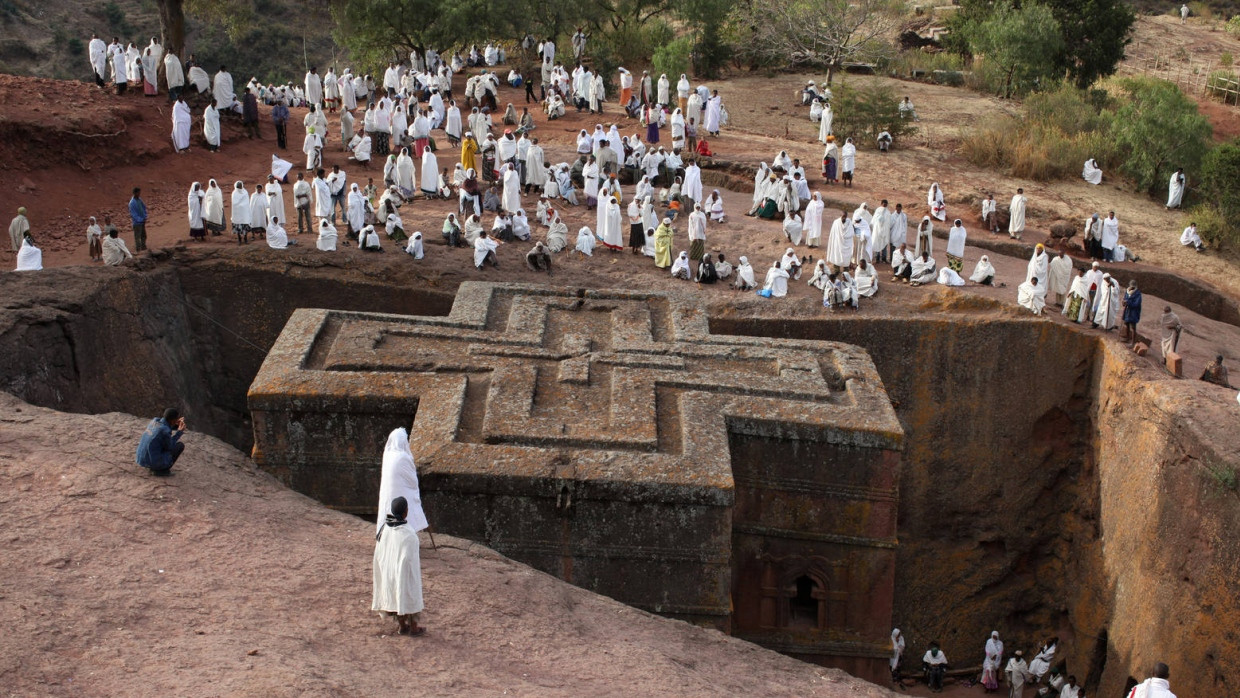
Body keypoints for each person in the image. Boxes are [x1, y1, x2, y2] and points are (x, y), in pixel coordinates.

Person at [372, 495, 426, 637]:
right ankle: (414, 628)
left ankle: (402, 626)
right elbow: (411, 559)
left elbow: (379, 551)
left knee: (396, 597)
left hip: (389, 571)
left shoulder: (384, 529)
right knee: (410, 594)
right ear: (406, 512)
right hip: (404, 572)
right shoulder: (409, 534)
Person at [135, 408, 186, 476]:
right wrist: (179, 432)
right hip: (153, 462)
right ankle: (162, 470)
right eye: (176, 419)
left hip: (141, 459)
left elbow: (162, 428)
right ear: (172, 420)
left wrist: (175, 425)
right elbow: (170, 446)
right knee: (180, 446)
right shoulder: (165, 431)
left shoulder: (154, 421)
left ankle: (153, 465)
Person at [128, 188, 148, 252]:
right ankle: (138, 249)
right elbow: (133, 214)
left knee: (143, 235)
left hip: (142, 221)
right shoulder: (132, 203)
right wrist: (140, 219)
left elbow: (143, 207)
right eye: (138, 193)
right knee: (137, 236)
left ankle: (143, 246)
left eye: (139, 193)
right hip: (137, 222)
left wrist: (145, 216)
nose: (139, 194)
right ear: (135, 193)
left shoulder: (139, 200)